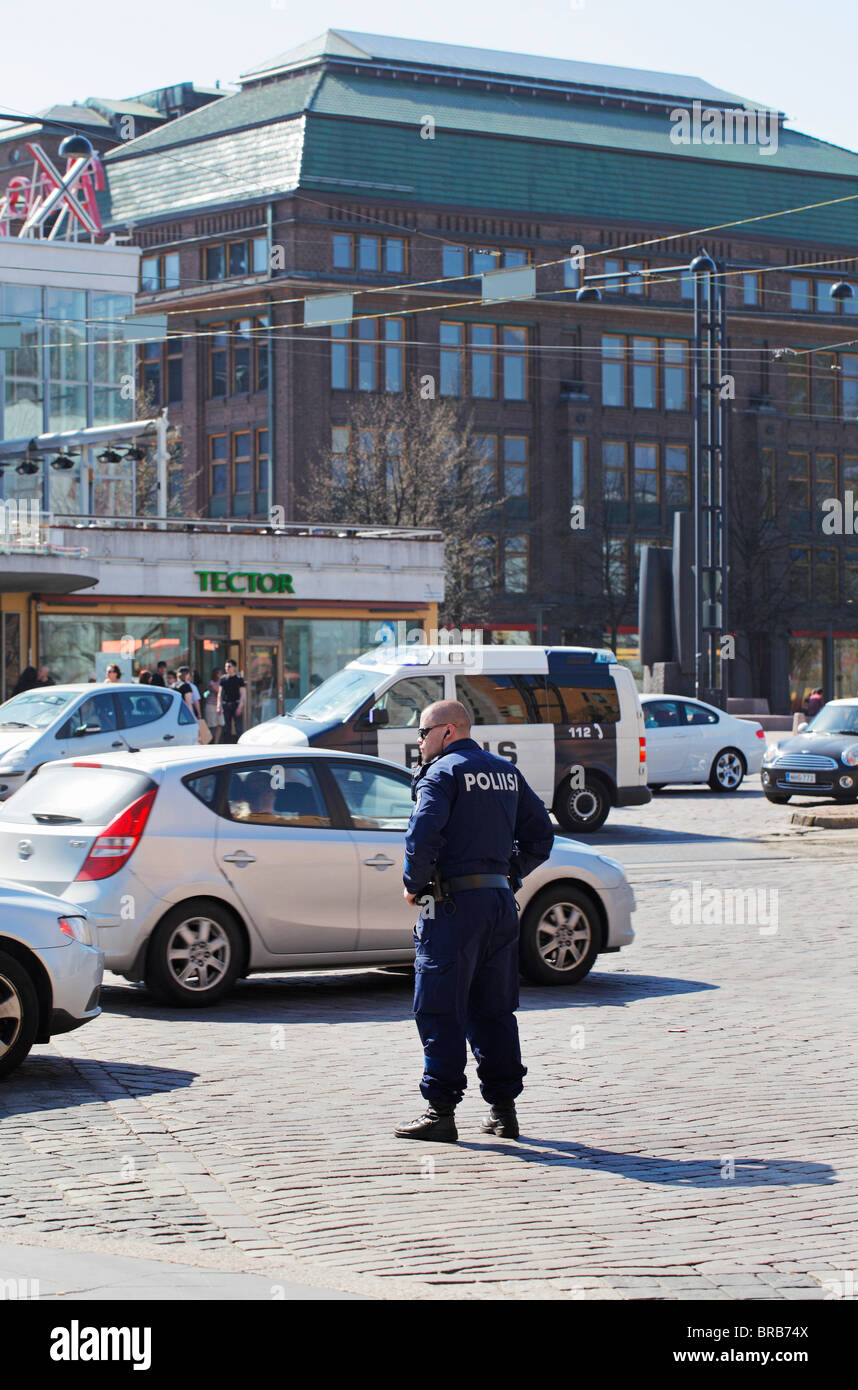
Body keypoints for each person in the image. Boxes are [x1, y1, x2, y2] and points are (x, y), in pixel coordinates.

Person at [395, 699, 554, 1145]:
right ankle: (504, 1111)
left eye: (423, 734)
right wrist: (509, 872)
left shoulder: (442, 773)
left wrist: (414, 883)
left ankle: (440, 1111)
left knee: (439, 1007)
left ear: (447, 732)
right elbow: (541, 834)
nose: (420, 743)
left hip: (450, 908)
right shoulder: (505, 771)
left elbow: (423, 831)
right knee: (494, 1010)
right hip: (499, 905)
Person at [217, 659, 246, 743]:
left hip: (236, 704)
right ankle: (227, 744)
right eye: (226, 666)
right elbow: (220, 693)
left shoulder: (239, 679)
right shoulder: (223, 679)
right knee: (226, 727)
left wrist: (240, 706)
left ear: (234, 667)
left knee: (238, 726)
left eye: (229, 666)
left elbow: (242, 694)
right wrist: (218, 705)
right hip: (226, 704)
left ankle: (240, 743)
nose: (227, 668)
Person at [205, 669, 224, 743]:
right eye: (219, 674)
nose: (221, 675)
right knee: (212, 725)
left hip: (219, 705)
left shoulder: (221, 683)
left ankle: (216, 742)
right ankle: (208, 741)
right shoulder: (211, 683)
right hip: (211, 705)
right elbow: (218, 691)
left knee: (220, 724)